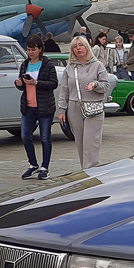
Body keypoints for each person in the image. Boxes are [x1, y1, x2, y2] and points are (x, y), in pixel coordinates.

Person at [57, 36, 110, 169]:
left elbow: (105, 86)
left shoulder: (98, 65)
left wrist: (95, 84)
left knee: (90, 143)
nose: (78, 48)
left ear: (87, 46)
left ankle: (91, 171)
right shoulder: (69, 68)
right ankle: (84, 171)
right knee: (80, 144)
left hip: (93, 108)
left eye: (81, 45)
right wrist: (62, 110)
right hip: (74, 108)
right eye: (75, 46)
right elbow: (64, 90)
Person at [15, 34, 58, 180]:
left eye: (33, 49)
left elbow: (53, 83)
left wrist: (37, 83)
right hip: (28, 106)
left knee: (45, 137)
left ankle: (45, 167)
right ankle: (33, 164)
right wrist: (19, 84)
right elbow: (22, 86)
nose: (30, 52)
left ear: (40, 49)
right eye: (28, 49)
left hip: (44, 107)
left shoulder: (48, 64)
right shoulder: (24, 64)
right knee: (25, 136)